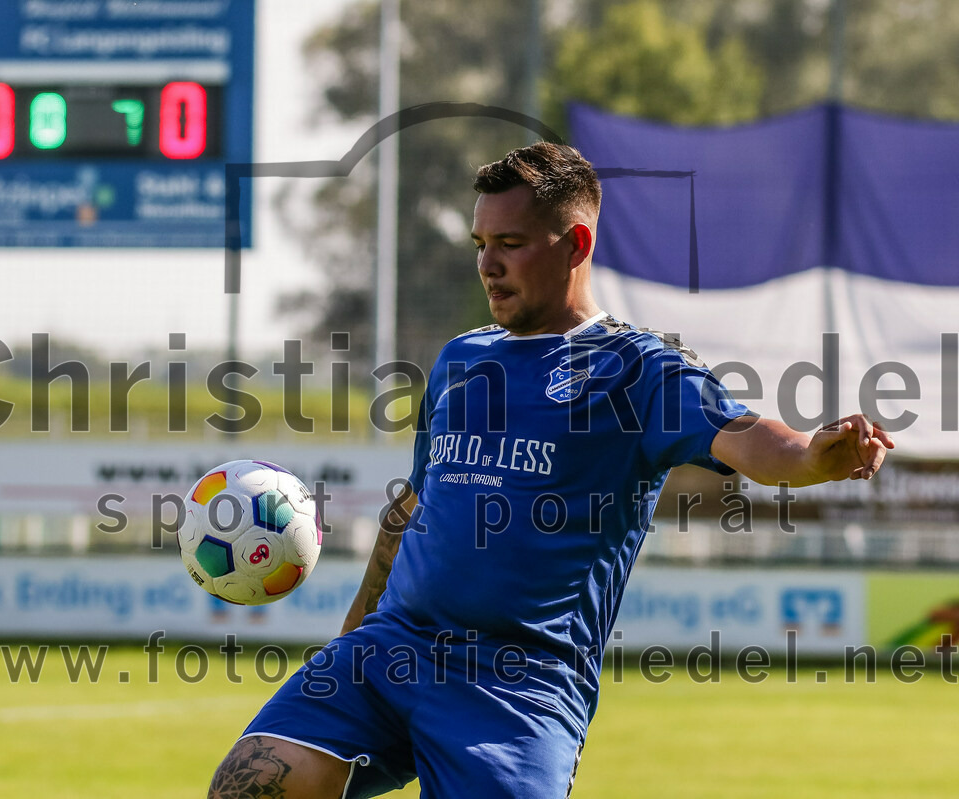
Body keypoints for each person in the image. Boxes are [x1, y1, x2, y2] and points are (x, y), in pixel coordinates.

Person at [207, 143, 892, 798]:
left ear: (576, 245)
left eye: (510, 244)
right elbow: (411, 512)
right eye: (480, 245)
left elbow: (748, 439)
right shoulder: (460, 361)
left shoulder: (640, 370)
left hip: (517, 685)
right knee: (252, 783)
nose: (488, 265)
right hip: (390, 652)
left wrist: (809, 455)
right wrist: (349, 644)